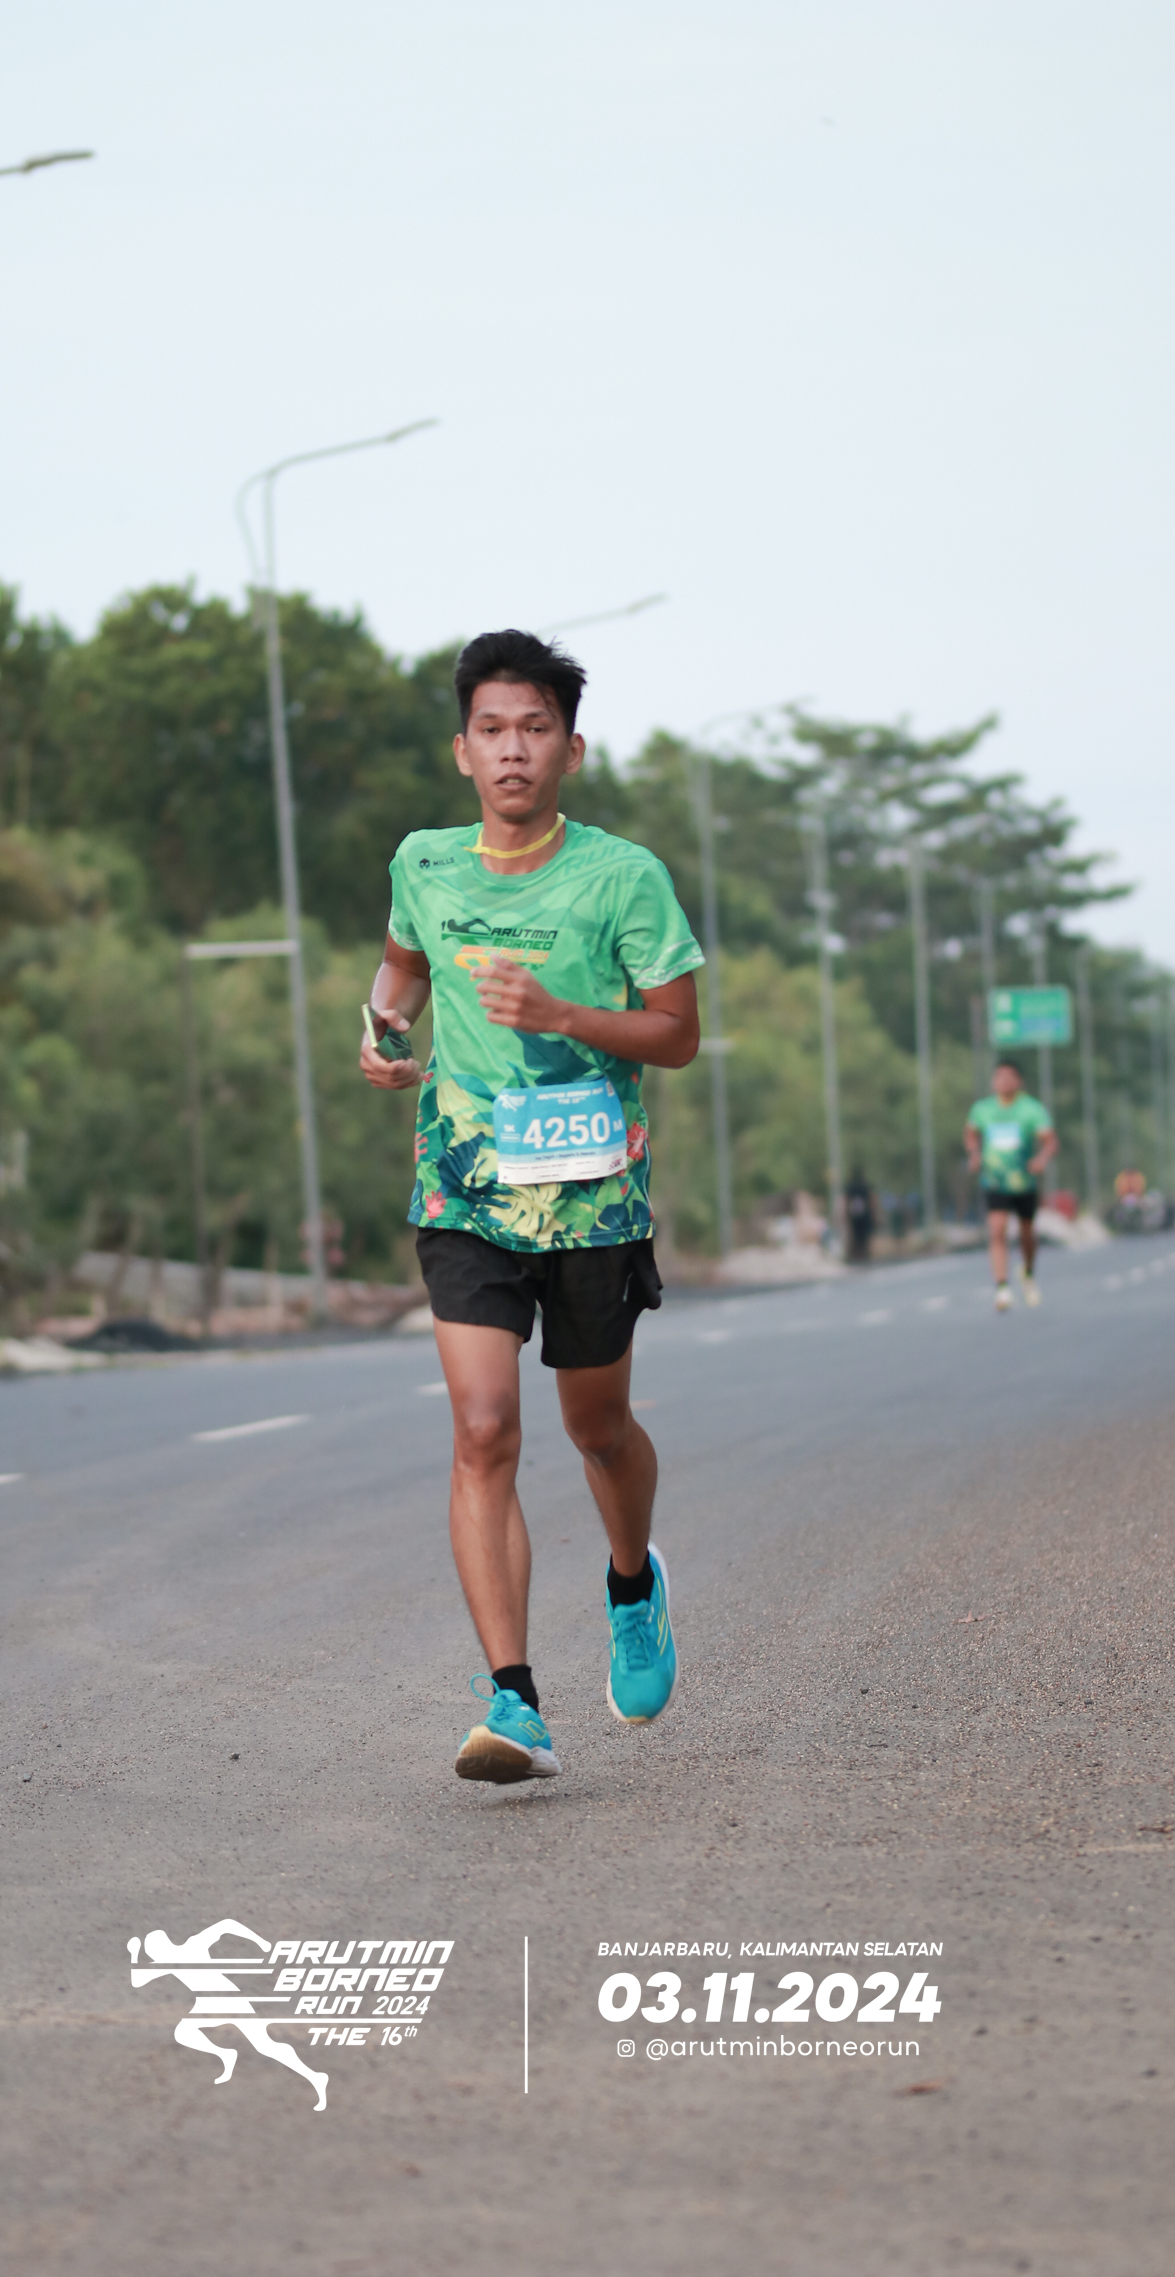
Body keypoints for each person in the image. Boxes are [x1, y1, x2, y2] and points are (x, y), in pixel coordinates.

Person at [359, 629, 703, 1784]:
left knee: (596, 1429)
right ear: (462, 751)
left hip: (591, 1198)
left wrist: (561, 1016)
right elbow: (402, 966)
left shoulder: (623, 877)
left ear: (570, 750)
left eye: (535, 729)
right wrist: (383, 1026)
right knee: (481, 1430)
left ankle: (630, 1583)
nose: (513, 750)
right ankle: (513, 1701)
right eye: (492, 730)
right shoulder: (423, 863)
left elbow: (676, 1033)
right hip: (463, 1186)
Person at [964, 1058, 1058, 1310]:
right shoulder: (982, 1109)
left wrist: (1041, 1160)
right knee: (997, 1230)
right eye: (999, 1077)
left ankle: (1028, 1272)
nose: (1004, 1082)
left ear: (1019, 1081)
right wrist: (974, 1154)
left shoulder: (1031, 1110)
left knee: (1027, 1232)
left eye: (1009, 1077)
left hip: (1023, 1182)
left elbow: (1050, 1141)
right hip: (995, 1180)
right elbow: (971, 1134)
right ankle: (1002, 1286)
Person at [843, 1167, 877, 1263]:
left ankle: (858, 1256)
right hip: (865, 1216)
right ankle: (864, 1255)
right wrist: (874, 1214)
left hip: (854, 1216)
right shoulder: (865, 1186)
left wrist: (845, 1215)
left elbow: (846, 1201)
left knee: (856, 1237)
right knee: (864, 1237)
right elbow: (871, 1201)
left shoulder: (850, 1186)